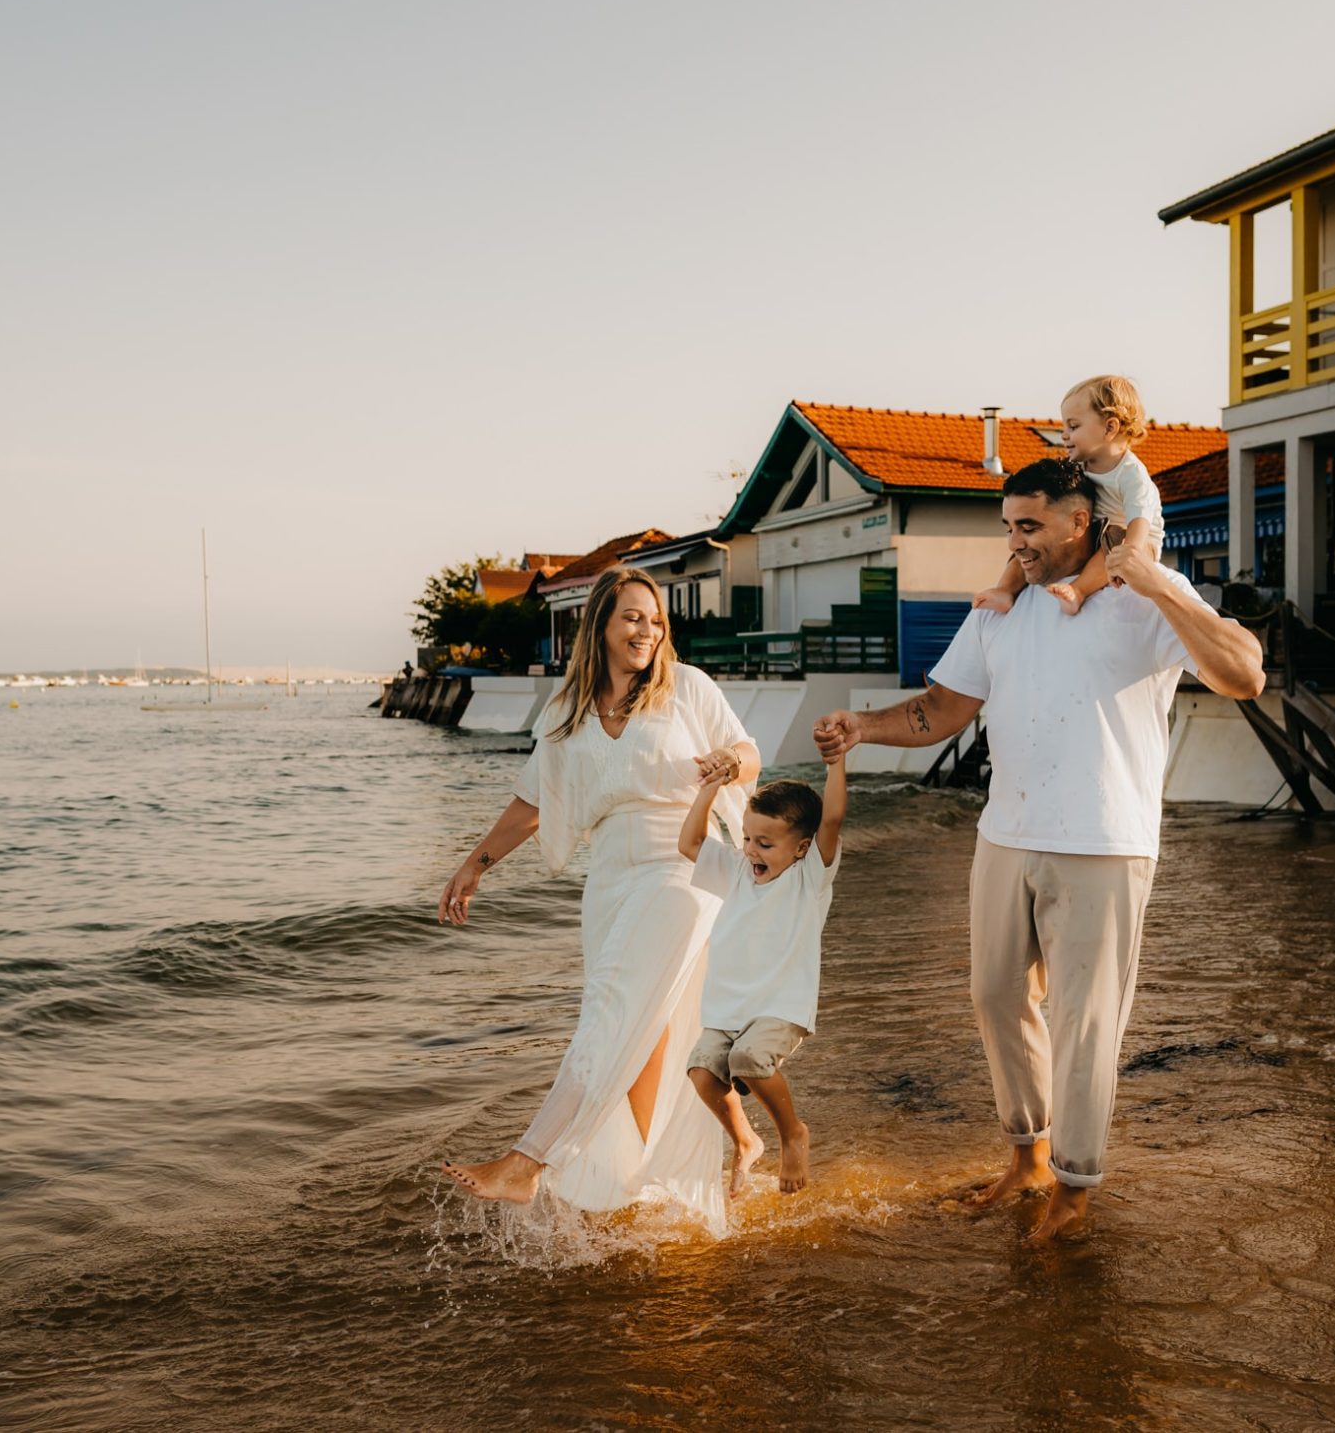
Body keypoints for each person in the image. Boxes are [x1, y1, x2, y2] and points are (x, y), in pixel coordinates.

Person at [815, 455, 1265, 1246]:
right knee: (995, 994)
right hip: (1005, 835)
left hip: (1103, 841)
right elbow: (944, 707)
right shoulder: (1003, 609)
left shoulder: (1144, 598)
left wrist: (1158, 584)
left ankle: (1076, 1186)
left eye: (1029, 525)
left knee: (1086, 1023)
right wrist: (865, 727)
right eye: (1008, 527)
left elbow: (1244, 673)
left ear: (1079, 520)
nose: (1014, 542)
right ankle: (1026, 1157)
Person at [433, 567, 761, 1236]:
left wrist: (729, 761)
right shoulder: (567, 713)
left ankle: (528, 1159)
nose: (647, 630)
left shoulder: (687, 687)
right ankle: (641, 1179)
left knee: (613, 1012)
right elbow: (534, 802)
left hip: (683, 866)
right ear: (601, 625)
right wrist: (475, 864)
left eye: (655, 619)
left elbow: (749, 754)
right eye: (632, 617)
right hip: (610, 880)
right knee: (640, 1035)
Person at [676, 752, 846, 1197]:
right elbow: (690, 843)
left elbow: (831, 819)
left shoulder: (809, 878)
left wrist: (836, 761)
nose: (751, 849)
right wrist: (710, 788)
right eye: (748, 838)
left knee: (749, 1060)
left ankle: (792, 1134)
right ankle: (746, 1141)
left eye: (765, 844)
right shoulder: (737, 869)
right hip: (728, 1008)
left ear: (802, 847)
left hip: (780, 1006)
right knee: (702, 1071)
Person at [974, 374, 1165, 616]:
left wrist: (1132, 553)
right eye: (1064, 427)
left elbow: (1140, 520)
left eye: (1073, 427)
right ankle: (1004, 590)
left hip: (1134, 541)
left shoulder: (1131, 474)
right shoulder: (1081, 466)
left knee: (1116, 538)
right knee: (1029, 543)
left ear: (1109, 428)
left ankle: (1078, 591)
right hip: (1096, 533)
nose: (1064, 434)